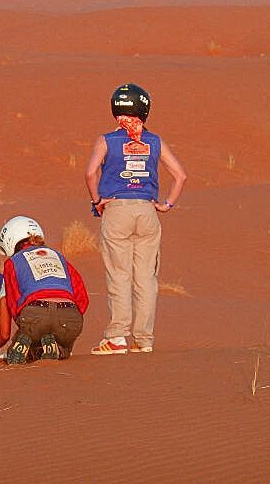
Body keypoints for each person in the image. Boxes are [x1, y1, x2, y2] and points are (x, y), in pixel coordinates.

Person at [85, 83, 187, 355]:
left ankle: (117, 336)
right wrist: (166, 204)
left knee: (119, 275)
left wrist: (97, 200)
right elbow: (180, 175)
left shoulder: (107, 140)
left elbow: (91, 172)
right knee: (146, 278)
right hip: (147, 211)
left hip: (116, 209)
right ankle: (144, 339)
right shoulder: (154, 141)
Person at [0, 216, 89, 364]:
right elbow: (82, 297)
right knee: (65, 347)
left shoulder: (12, 262)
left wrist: (24, 324)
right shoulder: (59, 256)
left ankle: (28, 344)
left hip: (35, 313)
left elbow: (13, 301)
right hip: (69, 314)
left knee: (29, 340)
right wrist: (70, 316)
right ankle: (58, 349)